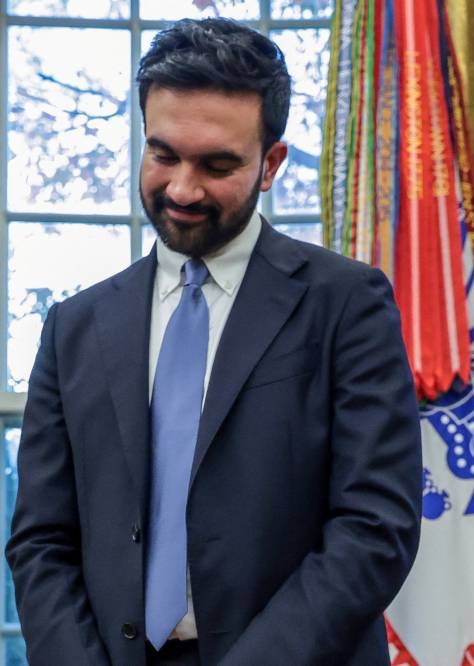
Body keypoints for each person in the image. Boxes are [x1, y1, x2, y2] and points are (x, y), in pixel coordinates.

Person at [6, 18, 422, 666]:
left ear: (272, 163)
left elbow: (374, 530)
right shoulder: (74, 328)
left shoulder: (348, 306)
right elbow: (40, 543)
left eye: (217, 164)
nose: (181, 189)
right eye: (163, 154)